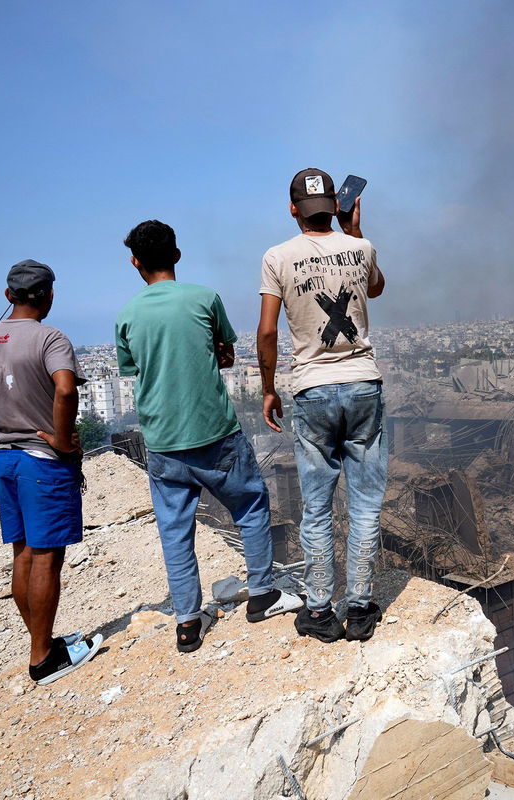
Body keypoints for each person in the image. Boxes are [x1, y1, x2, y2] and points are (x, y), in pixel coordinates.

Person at [116, 220, 301, 653]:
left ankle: (186, 622)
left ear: (134, 262)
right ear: (176, 255)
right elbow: (227, 353)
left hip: (163, 440)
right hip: (215, 432)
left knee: (176, 532)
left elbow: (135, 370)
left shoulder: (127, 314)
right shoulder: (205, 298)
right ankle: (261, 594)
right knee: (251, 504)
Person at [258, 168, 388, 643]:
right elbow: (374, 288)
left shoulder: (277, 257)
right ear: (337, 206)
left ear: (293, 209)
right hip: (362, 383)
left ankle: (319, 609)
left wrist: (270, 387)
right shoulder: (363, 247)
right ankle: (359, 606)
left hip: (312, 387)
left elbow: (268, 331)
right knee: (366, 503)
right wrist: (355, 234)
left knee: (316, 507)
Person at [0, 260, 103, 685]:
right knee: (48, 556)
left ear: (8, 296)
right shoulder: (51, 338)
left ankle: (41, 643)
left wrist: (3, 433)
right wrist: (63, 440)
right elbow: (65, 389)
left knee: (23, 553)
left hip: (5, 458)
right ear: (48, 295)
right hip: (42, 461)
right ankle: (42, 658)